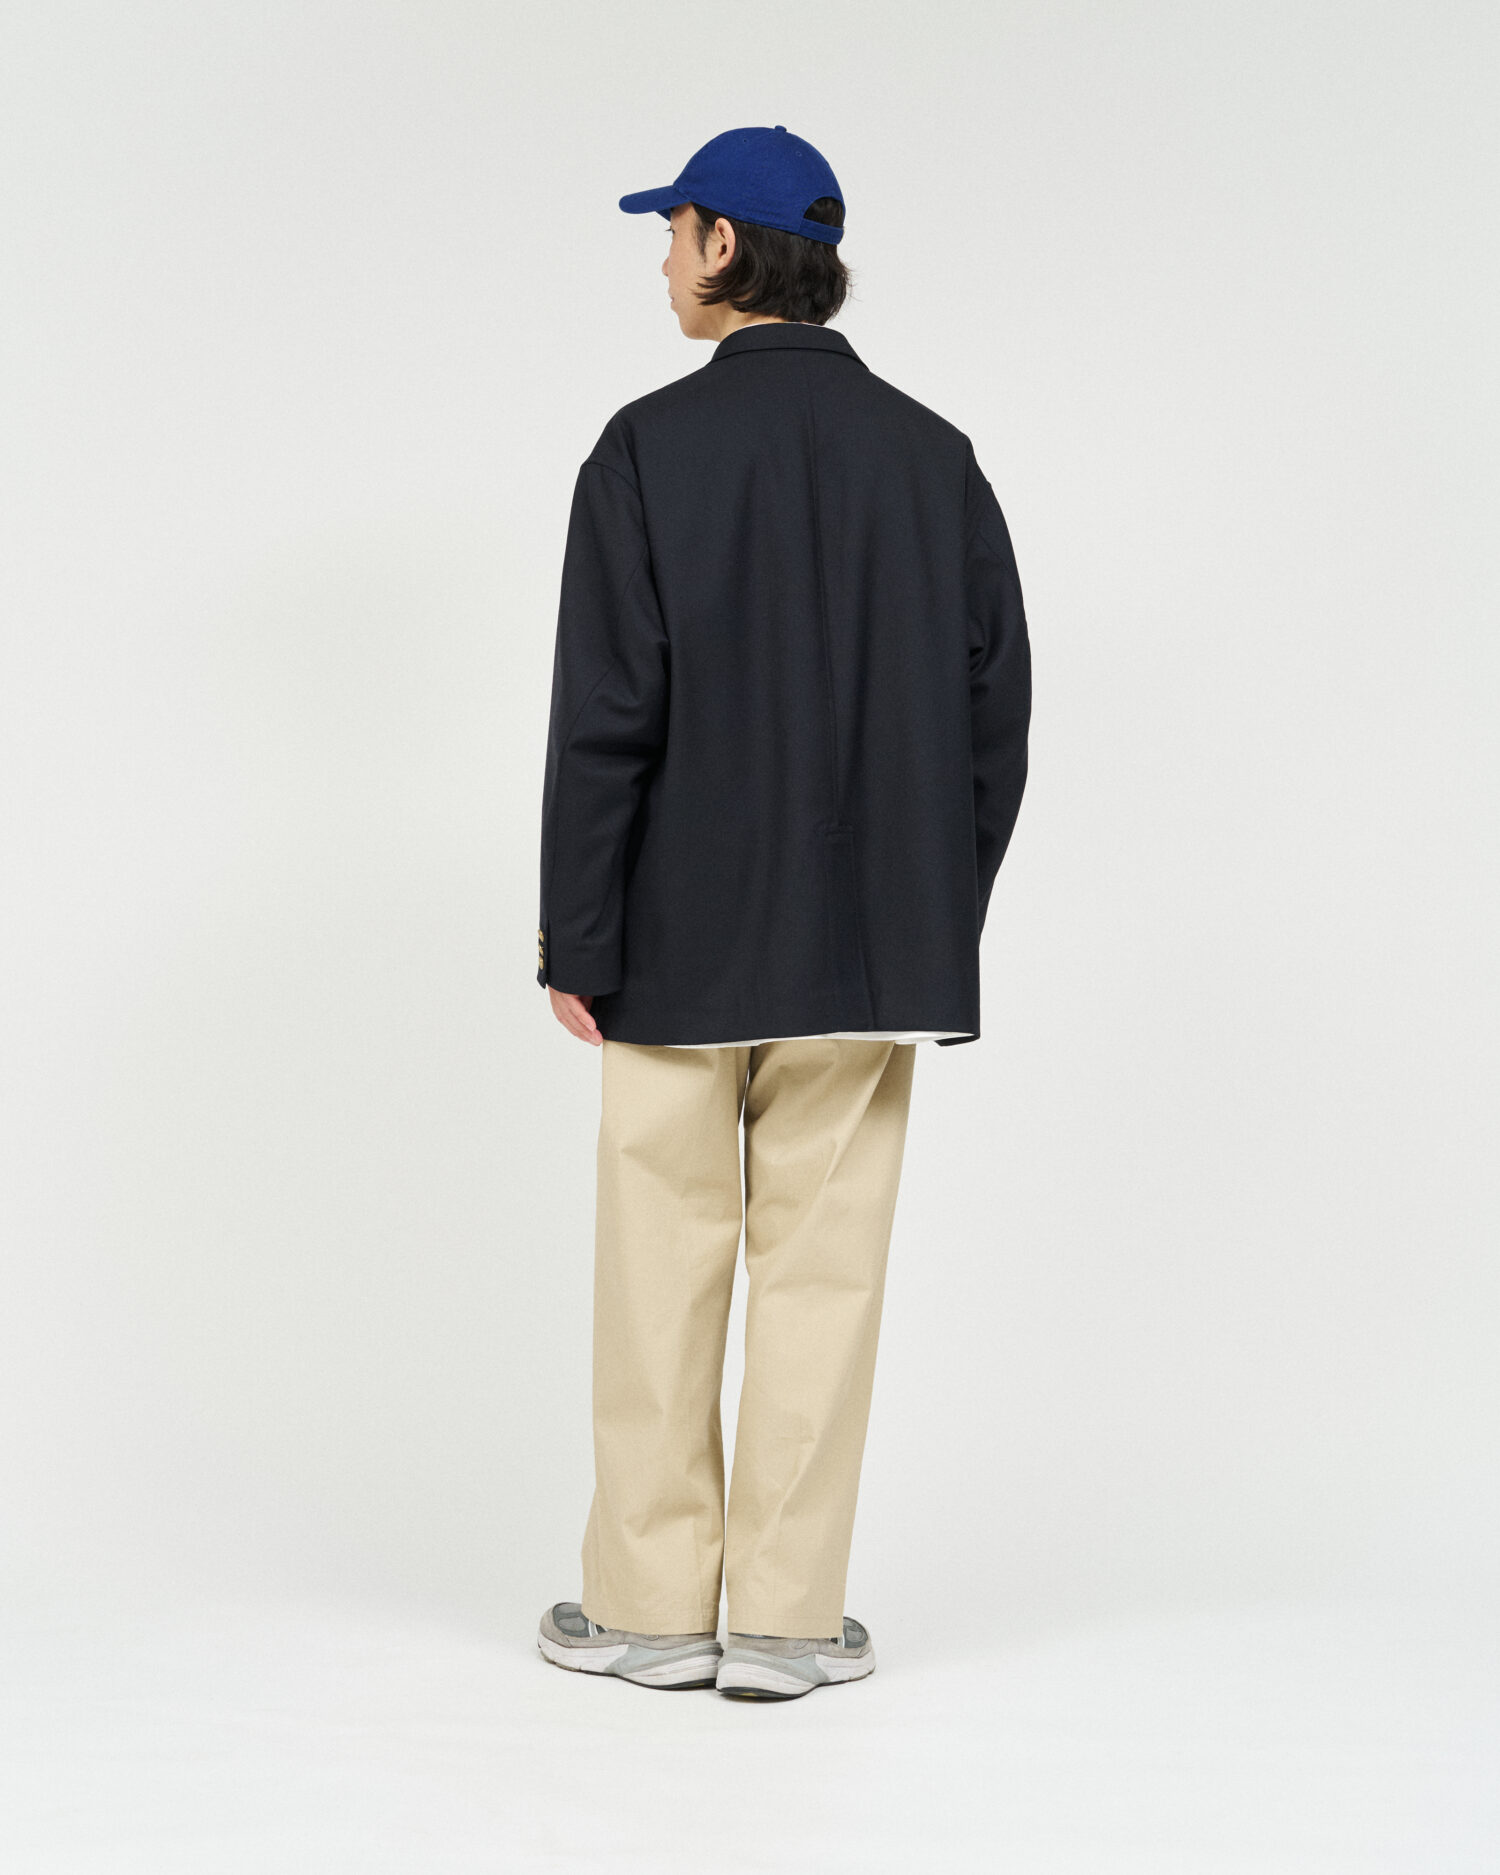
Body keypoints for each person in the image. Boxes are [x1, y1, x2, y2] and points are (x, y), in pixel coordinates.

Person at [534, 126, 1031, 1700]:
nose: (663, 259)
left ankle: (649, 1609)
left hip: (672, 946)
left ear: (727, 245)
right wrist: (927, 912)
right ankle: (788, 1625)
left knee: (658, 1270)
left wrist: (576, 937)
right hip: (868, 955)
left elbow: (606, 718)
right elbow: (995, 717)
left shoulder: (644, 450)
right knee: (826, 1277)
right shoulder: (935, 457)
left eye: (673, 230)